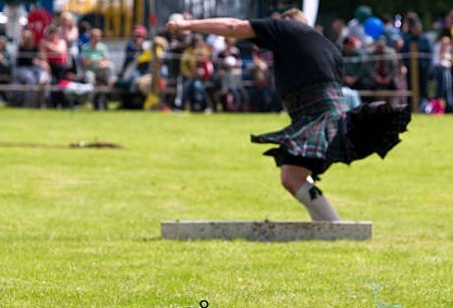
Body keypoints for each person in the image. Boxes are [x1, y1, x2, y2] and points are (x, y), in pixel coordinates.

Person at [166, 8, 410, 221]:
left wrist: (187, 25)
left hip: (317, 115)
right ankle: (327, 226)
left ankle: (334, 226)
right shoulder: (328, 46)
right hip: (332, 114)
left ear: (286, 22)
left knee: (291, 176)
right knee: (295, 174)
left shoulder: (284, 29)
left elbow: (233, 27)